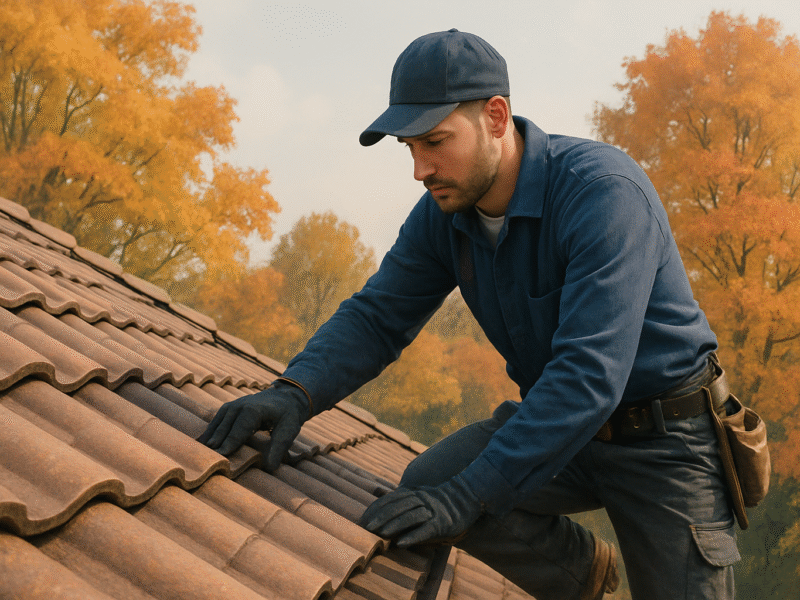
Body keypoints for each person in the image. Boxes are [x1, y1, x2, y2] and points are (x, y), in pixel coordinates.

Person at [199, 29, 741, 600]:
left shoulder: (603, 193)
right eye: (409, 148)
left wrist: (469, 497)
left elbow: (589, 375)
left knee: (468, 494)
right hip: (563, 430)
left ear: (496, 117)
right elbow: (378, 315)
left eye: (435, 142)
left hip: (666, 441)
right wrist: (295, 391)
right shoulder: (444, 212)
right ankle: (581, 575)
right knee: (428, 484)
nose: (420, 169)